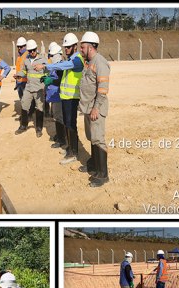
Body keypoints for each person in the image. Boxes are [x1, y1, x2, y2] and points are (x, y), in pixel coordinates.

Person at [46, 33, 85, 165]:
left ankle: (73, 153)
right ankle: (70, 148)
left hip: (72, 98)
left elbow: (63, 66)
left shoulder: (77, 60)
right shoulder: (70, 60)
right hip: (66, 97)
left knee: (71, 124)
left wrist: (47, 66)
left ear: (75, 46)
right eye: (65, 47)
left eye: (68, 47)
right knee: (68, 124)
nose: (66, 49)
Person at [78, 32, 111, 187]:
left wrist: (96, 108)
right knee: (92, 137)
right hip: (87, 108)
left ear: (91, 47)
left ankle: (103, 174)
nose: (81, 50)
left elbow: (103, 88)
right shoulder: (88, 61)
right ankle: (94, 166)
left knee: (98, 139)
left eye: (83, 47)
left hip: (95, 109)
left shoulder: (100, 62)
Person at [15, 39, 47, 137]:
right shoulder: (26, 60)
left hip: (39, 88)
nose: (32, 52)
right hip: (28, 87)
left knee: (39, 108)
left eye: (33, 50)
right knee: (24, 105)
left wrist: (45, 83)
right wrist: (19, 75)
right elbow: (24, 71)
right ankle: (23, 125)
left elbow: (47, 73)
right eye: (30, 51)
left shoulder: (42, 60)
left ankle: (38, 128)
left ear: (36, 49)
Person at [44, 43, 66, 149]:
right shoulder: (56, 66)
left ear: (58, 55)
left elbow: (61, 80)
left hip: (59, 96)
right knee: (57, 117)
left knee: (59, 118)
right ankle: (59, 135)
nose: (50, 58)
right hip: (54, 96)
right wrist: (46, 79)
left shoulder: (61, 67)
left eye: (52, 56)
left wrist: (51, 80)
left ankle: (62, 140)